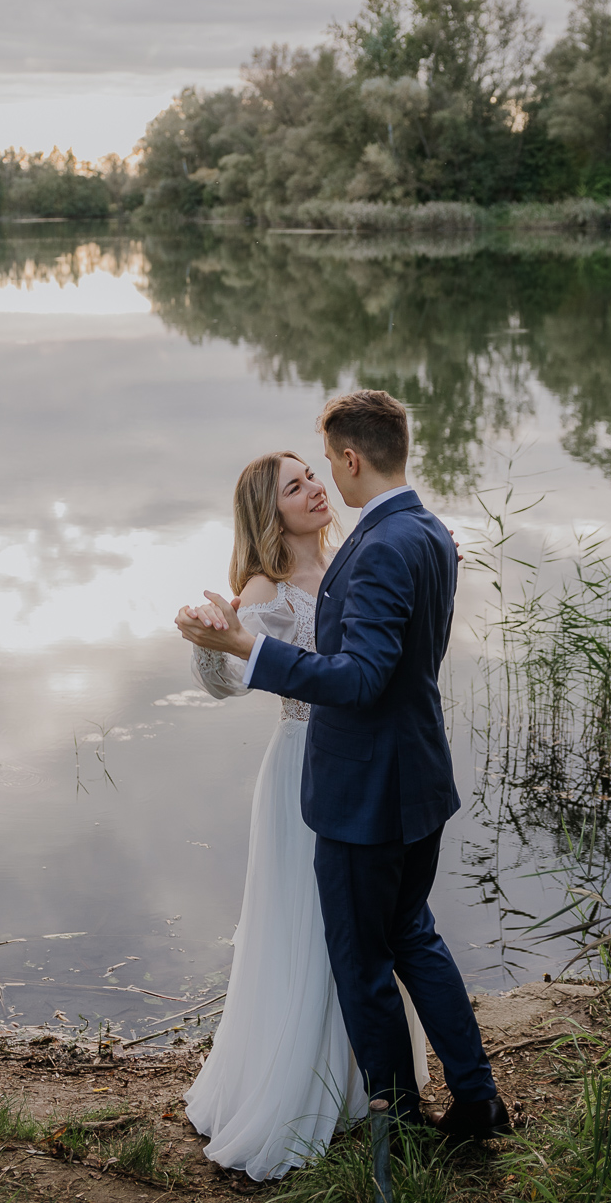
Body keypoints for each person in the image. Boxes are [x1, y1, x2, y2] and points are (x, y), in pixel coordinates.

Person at [177, 390, 509, 1147]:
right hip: (416, 772)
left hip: (366, 786)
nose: (322, 479)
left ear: (351, 459)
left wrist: (247, 648)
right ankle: (477, 1097)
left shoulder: (381, 546)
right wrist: (224, 639)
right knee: (413, 935)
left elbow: (360, 679)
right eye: (298, 481)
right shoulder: (427, 532)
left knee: (362, 962)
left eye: (323, 464)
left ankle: (398, 1122)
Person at [177, 450, 428, 1182]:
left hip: (370, 768)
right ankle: (298, 1089)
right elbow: (227, 682)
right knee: (307, 921)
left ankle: (364, 1083)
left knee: (367, 923)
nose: (315, 488)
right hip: (304, 769)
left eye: (312, 475)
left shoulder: (355, 555)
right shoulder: (266, 589)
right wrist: (209, 635)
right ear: (270, 512)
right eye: (295, 486)